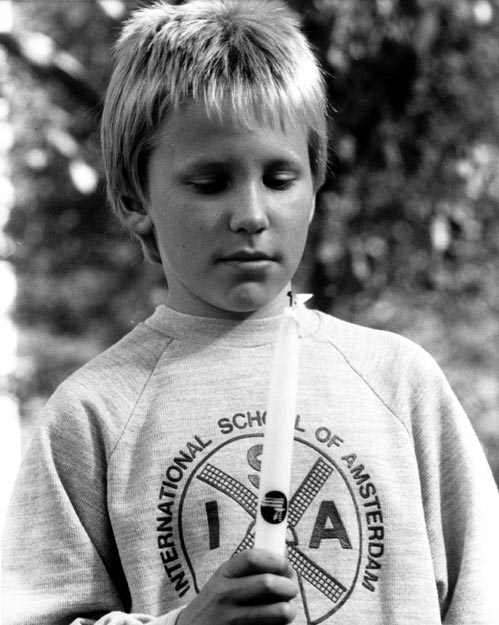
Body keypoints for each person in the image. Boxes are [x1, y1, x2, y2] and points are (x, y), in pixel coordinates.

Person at [2, 0, 499, 623]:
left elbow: (484, 592)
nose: (252, 215)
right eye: (210, 183)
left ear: (315, 188)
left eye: (281, 178)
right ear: (135, 200)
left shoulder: (401, 384)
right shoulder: (92, 414)